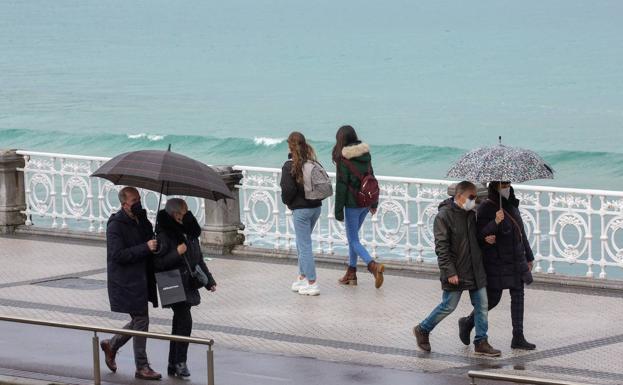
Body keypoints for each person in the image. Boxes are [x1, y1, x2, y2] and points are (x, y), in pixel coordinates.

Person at [412, 181, 501, 356]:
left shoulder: (470, 214)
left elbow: (472, 238)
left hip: (475, 268)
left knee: (482, 304)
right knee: (448, 306)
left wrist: (485, 239)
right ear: (459, 196)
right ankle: (423, 329)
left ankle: (481, 341)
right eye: (472, 197)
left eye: (476, 198)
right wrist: (450, 272)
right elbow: (441, 248)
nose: (475, 201)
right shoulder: (443, 216)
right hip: (456, 271)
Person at [458, 182, 536, 350]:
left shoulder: (512, 204)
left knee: (518, 297)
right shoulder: (486, 207)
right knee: (493, 299)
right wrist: (495, 221)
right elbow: (479, 235)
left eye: (508, 183)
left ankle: (518, 337)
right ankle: (467, 323)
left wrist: (529, 257)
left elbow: (520, 233)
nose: (507, 187)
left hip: (516, 258)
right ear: (495, 185)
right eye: (503, 184)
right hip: (497, 261)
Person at [100, 187, 162, 380]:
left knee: (139, 321)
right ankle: (141, 366)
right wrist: (145, 248)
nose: (138, 204)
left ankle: (112, 345)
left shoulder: (140, 221)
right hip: (126, 281)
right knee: (142, 320)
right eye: (134, 201)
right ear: (124, 203)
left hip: (141, 279)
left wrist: (146, 224)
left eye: (139, 200)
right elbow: (117, 255)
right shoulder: (115, 225)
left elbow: (149, 239)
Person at [153, 198, 217, 377]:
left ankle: (173, 363)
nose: (188, 214)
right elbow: (158, 263)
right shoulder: (164, 234)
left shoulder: (189, 232)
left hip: (187, 281)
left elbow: (198, 259)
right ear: (175, 214)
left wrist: (209, 281)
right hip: (171, 281)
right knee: (185, 320)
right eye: (184, 211)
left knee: (179, 322)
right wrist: (176, 253)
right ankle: (180, 362)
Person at [332, 125, 384, 288]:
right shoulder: (365, 154)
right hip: (366, 201)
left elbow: (341, 186)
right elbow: (372, 177)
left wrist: (338, 210)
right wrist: (373, 202)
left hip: (353, 204)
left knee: (353, 240)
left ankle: (372, 266)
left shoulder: (343, 158)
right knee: (353, 238)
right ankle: (351, 273)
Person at [280, 132, 323, 296]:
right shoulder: (312, 162)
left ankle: (312, 282)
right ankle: (302, 276)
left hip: (301, 210)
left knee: (304, 246)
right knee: (301, 242)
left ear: (290, 146)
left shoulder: (289, 165)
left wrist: (289, 203)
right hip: (316, 208)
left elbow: (287, 190)